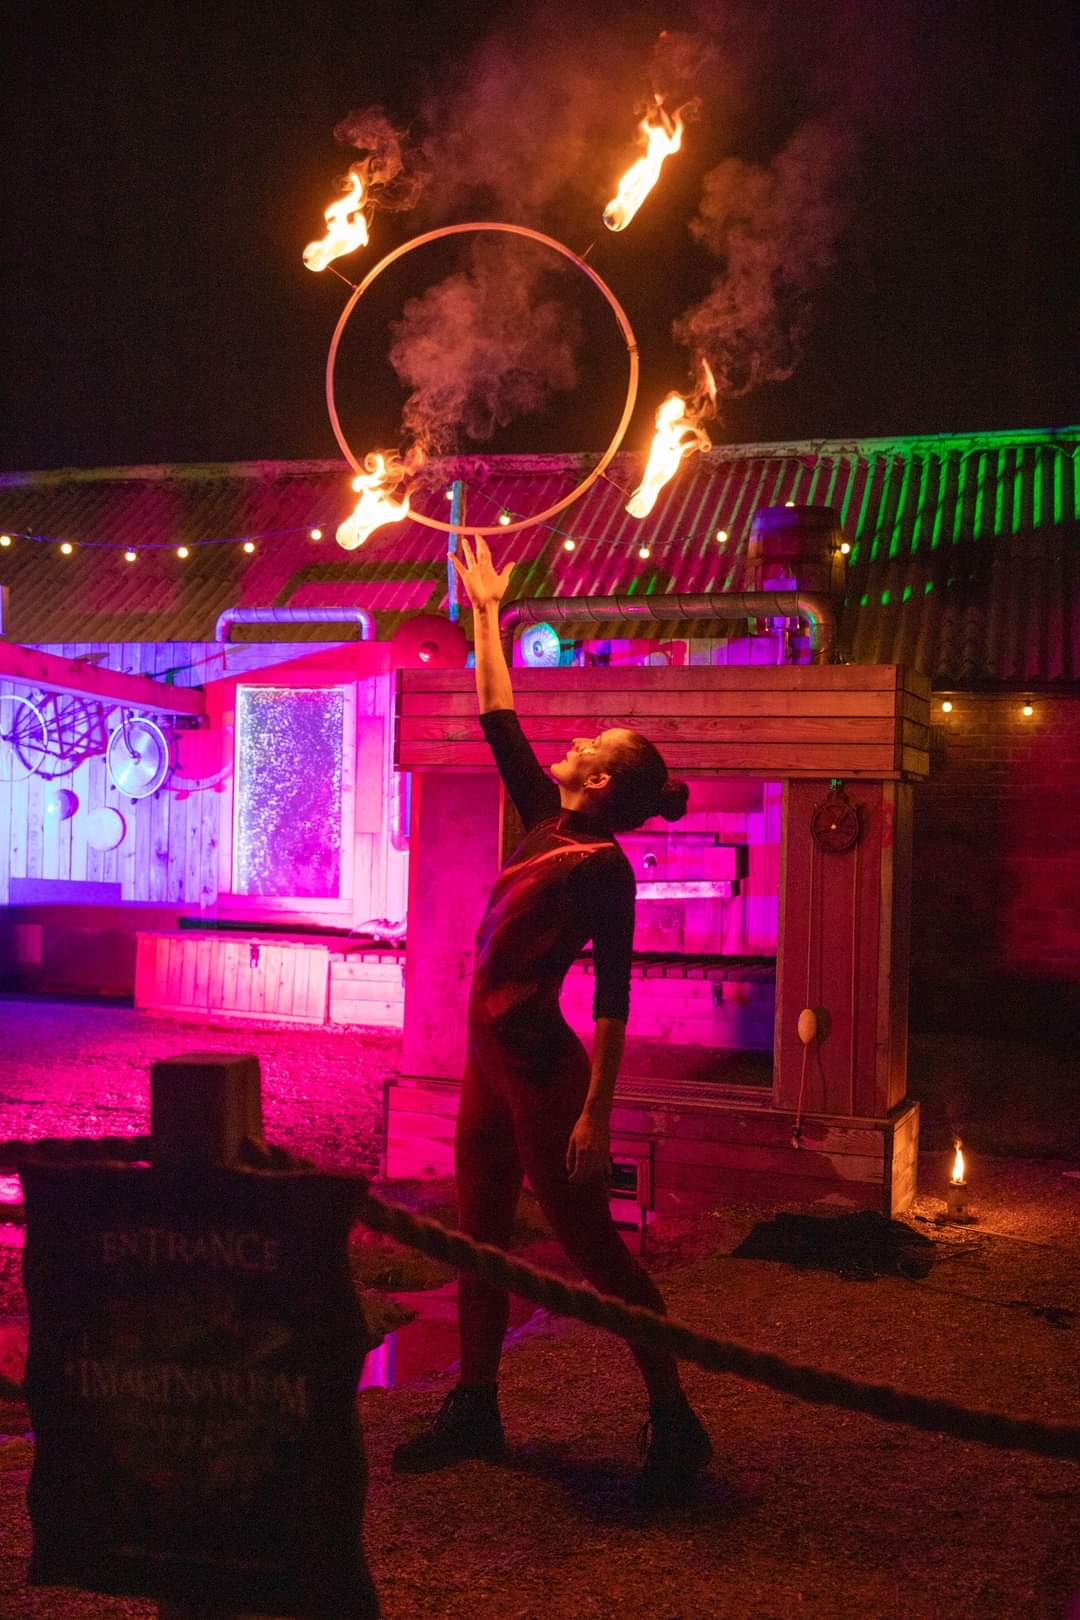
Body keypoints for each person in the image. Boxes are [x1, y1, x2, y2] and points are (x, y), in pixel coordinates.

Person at [392, 536, 712, 1512]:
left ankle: (676, 1418)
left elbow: (613, 995)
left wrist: (596, 1113)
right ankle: (476, 1405)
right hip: (489, 1066)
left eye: (589, 749)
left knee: (593, 1251)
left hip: (545, 1077)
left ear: (602, 785)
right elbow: (500, 716)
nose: (569, 746)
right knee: (478, 1238)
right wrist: (490, 612)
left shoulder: (603, 867)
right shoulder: (545, 817)